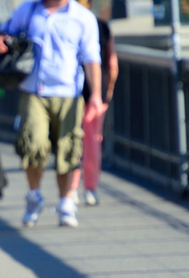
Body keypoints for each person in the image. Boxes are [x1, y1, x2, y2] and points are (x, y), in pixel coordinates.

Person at [0, 0, 102, 227]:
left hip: (68, 93)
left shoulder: (83, 17)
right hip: (33, 91)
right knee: (32, 145)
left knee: (68, 149)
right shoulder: (29, 9)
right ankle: (34, 196)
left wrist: (96, 95)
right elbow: (5, 29)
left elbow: (92, 58)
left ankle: (65, 202)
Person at [69, 0, 119, 206]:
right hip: (95, 96)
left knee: (71, 142)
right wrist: (108, 90)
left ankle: (71, 189)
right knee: (92, 143)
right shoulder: (102, 26)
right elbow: (112, 63)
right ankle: (90, 188)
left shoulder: (69, 22)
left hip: (70, 93)